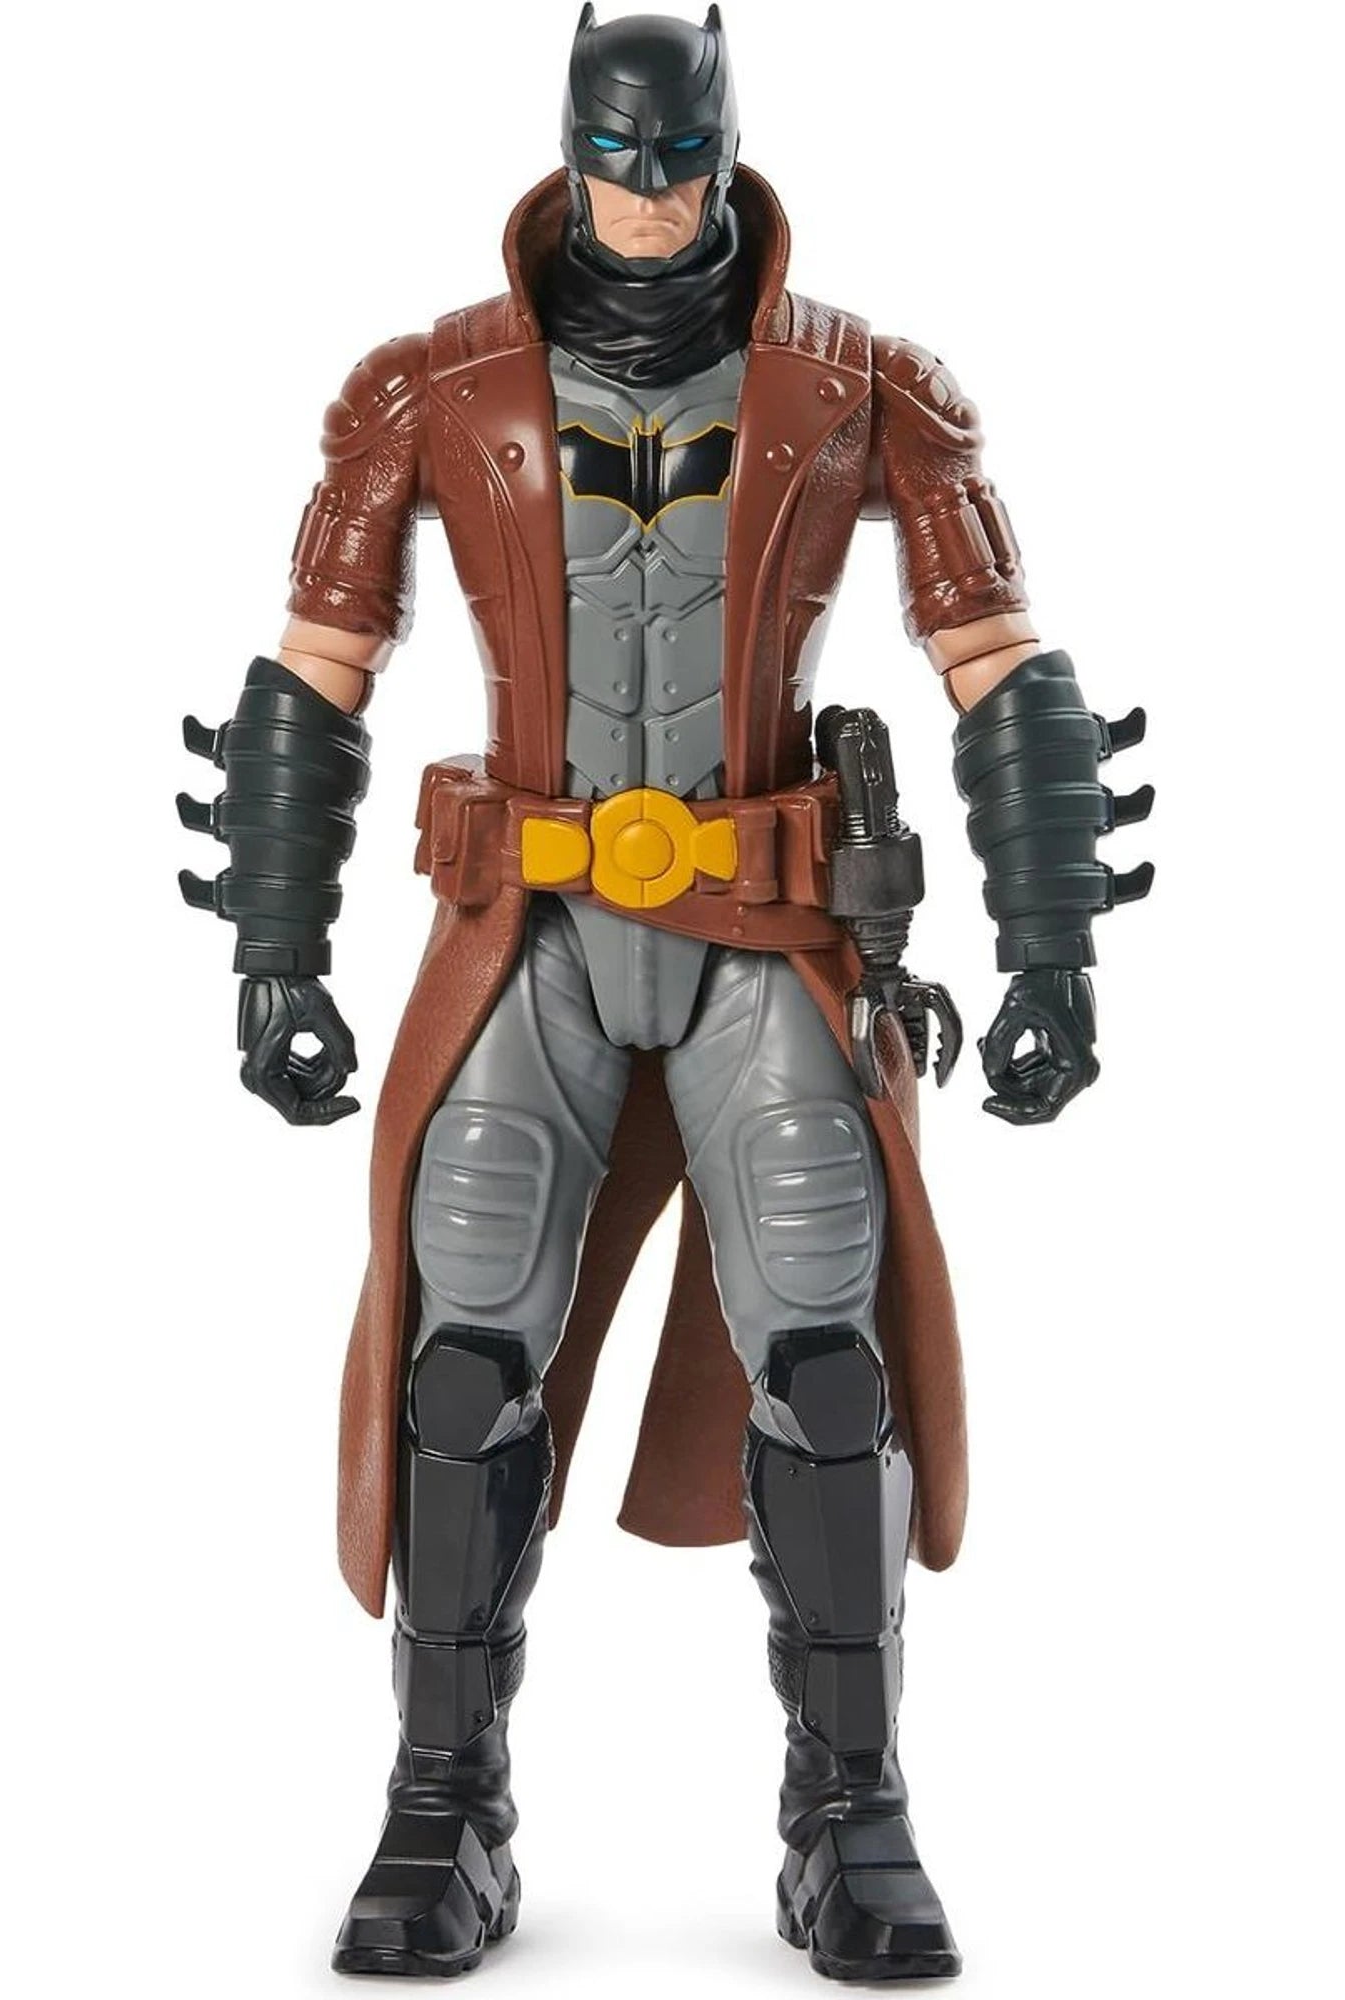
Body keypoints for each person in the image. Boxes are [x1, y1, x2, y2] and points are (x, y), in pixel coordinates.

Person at [179, 6, 1151, 1980]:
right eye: (615, 159)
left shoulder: (866, 387)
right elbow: (313, 671)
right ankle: (441, 1806)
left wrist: (1052, 934)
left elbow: (998, 664)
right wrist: (275, 946)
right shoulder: (427, 390)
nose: (644, 196)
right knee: (465, 1362)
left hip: (758, 932)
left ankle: (850, 1811)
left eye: (677, 159)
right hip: (529, 931)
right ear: (569, 149)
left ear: (724, 149)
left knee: (828, 1359)